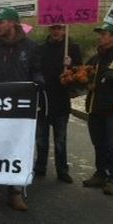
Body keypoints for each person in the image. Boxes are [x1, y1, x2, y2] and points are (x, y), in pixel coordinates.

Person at [0, 7, 43, 211]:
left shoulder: (31, 47)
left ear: (12, 23)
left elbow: (36, 70)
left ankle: (16, 192)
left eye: (0, 22)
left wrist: (38, 81)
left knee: (19, 148)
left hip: (21, 109)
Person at [82, 23, 113, 196]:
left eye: (104, 34)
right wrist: (82, 79)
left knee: (111, 144)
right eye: (100, 34)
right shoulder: (96, 58)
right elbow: (82, 75)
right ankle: (100, 173)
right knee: (98, 143)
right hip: (95, 107)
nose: (100, 37)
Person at [36, 24, 82, 183]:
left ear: (64, 29)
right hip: (44, 99)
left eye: (60, 28)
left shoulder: (72, 48)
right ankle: (40, 166)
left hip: (61, 100)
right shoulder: (41, 48)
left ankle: (62, 170)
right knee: (41, 138)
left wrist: (71, 66)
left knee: (60, 139)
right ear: (49, 29)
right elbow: (36, 68)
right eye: (54, 28)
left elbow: (80, 73)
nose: (56, 31)